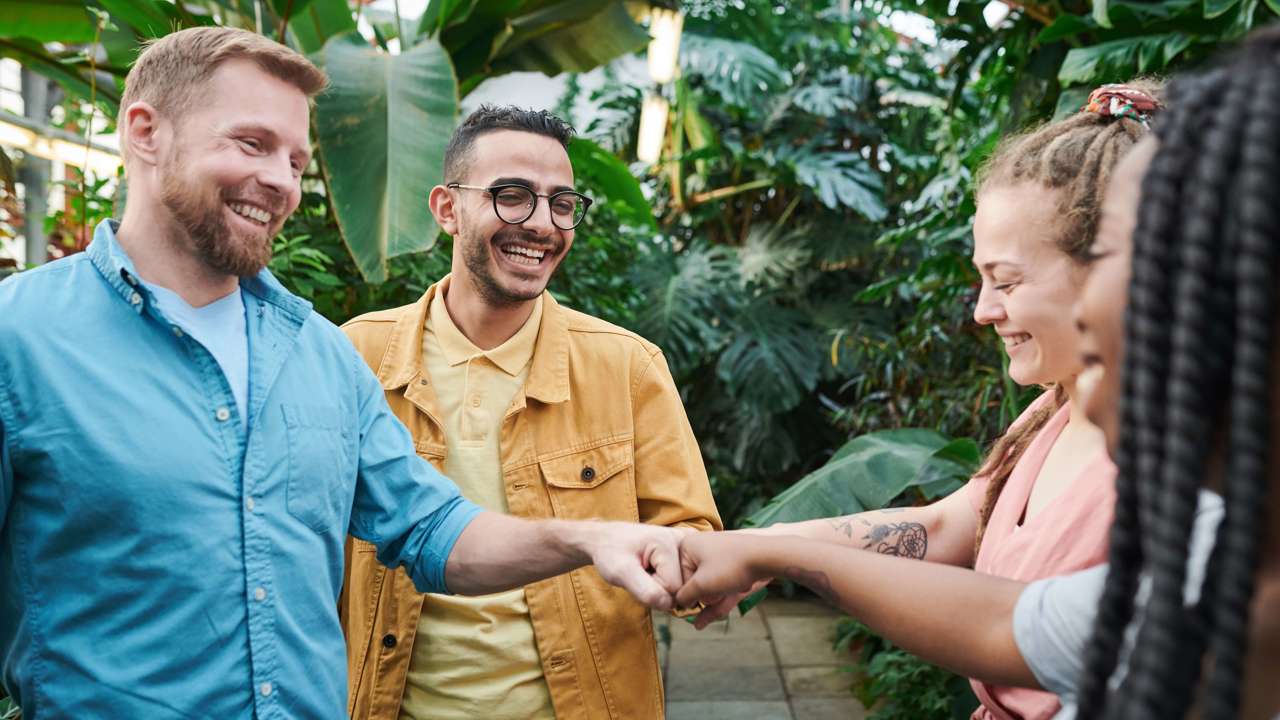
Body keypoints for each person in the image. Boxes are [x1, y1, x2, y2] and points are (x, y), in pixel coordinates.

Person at [0, 28, 686, 719]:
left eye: (297, 162)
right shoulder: (19, 339)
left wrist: (591, 537)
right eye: (251, 144)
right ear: (145, 132)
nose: (281, 182)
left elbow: (436, 531)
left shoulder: (321, 355)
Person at [677, 27, 1280, 720]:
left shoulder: (1209, 506)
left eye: (1006, 280)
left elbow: (1007, 628)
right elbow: (944, 534)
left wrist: (769, 556)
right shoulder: (1055, 410)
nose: (984, 312)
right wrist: (755, 549)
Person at [338, 106, 721, 720]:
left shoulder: (628, 366)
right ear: (446, 208)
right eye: (512, 196)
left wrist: (709, 570)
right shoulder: (354, 356)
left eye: (561, 203)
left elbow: (691, 539)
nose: (543, 224)